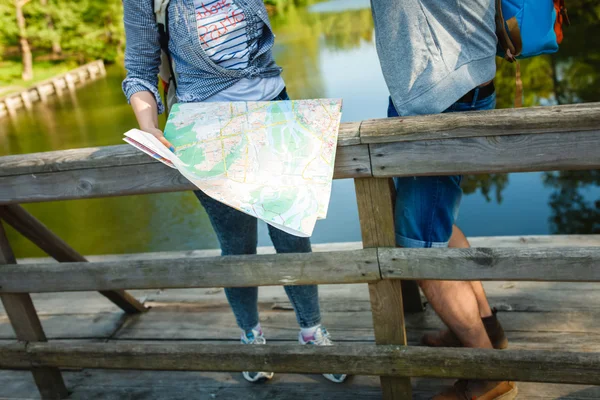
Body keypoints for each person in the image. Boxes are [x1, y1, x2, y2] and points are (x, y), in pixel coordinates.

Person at [121, 0, 346, 384]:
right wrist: (148, 125)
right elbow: (139, 70)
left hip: (275, 115)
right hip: (205, 131)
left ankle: (311, 331)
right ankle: (251, 336)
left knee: (293, 235)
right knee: (237, 245)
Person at [370, 0, 516, 399]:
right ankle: (485, 329)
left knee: (419, 250)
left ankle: (489, 375)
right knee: (434, 224)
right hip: (447, 85)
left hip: (438, 96)